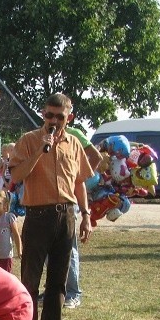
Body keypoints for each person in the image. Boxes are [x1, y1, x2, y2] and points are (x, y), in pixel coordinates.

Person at [10, 93, 93, 320]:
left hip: (66, 215)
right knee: (30, 280)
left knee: (59, 279)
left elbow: (80, 182)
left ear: (70, 117)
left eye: (60, 116)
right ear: (43, 115)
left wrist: (86, 214)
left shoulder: (74, 144)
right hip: (37, 215)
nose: (54, 121)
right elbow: (16, 176)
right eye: (49, 115)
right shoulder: (28, 141)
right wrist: (40, 150)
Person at [62, 125, 102, 309]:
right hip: (49, 201)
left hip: (69, 200)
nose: (52, 118)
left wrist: (80, 179)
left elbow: (96, 157)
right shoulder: (41, 136)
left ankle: (73, 292)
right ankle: (56, 290)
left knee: (69, 248)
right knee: (49, 251)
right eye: (47, 114)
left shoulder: (74, 134)